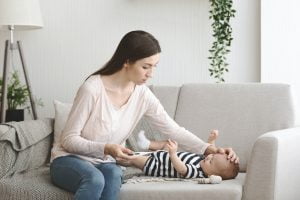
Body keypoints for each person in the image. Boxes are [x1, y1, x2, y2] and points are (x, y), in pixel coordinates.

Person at [50, 30, 239, 200]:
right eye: (146, 66)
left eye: (154, 66)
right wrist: (107, 148)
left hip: (104, 162)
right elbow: (69, 140)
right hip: (69, 160)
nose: (151, 74)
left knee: (114, 176)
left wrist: (209, 149)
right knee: (95, 180)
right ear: (126, 61)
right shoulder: (92, 89)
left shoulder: (143, 95)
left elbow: (173, 130)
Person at [118, 130, 239, 180]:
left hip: (156, 165)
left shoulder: (197, 172)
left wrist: (173, 154)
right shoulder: (204, 161)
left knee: (135, 159)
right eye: (212, 156)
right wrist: (212, 139)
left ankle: (118, 160)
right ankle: (147, 144)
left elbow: (181, 168)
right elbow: (208, 150)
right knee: (167, 142)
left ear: (211, 175)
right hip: (164, 156)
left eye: (211, 161)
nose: (209, 157)